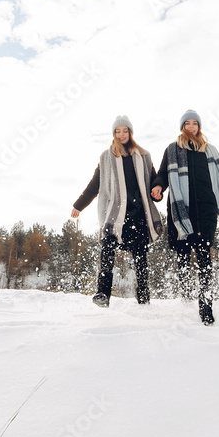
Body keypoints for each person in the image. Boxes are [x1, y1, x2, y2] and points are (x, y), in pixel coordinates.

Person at [151, 109, 219, 326]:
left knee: (204, 257)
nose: (191, 127)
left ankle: (206, 305)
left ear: (199, 127)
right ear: (182, 127)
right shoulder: (172, 150)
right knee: (183, 256)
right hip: (182, 210)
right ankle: (185, 295)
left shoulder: (209, 151)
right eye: (187, 124)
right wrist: (158, 186)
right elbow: (163, 173)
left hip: (206, 209)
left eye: (195, 124)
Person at [72, 115, 164, 307]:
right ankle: (102, 294)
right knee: (107, 250)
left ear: (130, 132)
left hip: (138, 213)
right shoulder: (107, 157)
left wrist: (158, 190)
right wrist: (78, 205)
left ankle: (144, 297)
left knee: (140, 257)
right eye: (117, 131)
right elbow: (95, 185)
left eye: (125, 130)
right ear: (113, 134)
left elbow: (155, 180)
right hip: (115, 215)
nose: (121, 134)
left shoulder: (143, 156)